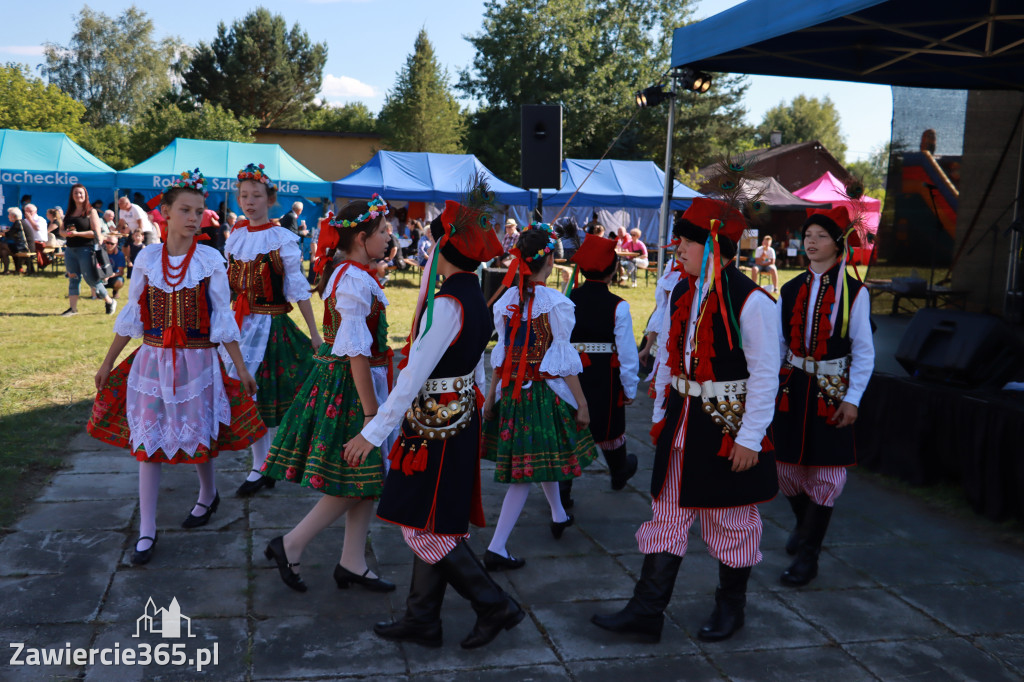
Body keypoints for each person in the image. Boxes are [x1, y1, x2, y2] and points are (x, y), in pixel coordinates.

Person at [592, 197, 781, 643]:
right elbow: (671, 360)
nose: (678, 246)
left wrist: (750, 439)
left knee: (732, 520)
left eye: (689, 240)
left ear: (715, 246)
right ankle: (646, 611)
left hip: (725, 427)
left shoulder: (753, 302)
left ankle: (731, 608)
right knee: (667, 513)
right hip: (682, 424)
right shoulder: (682, 290)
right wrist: (661, 412)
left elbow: (766, 375)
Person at [344, 192, 524, 651]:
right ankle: (422, 617)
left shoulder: (449, 303)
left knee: (422, 527)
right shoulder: (471, 295)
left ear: (443, 248)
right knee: (433, 522)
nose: (426, 246)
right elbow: (475, 364)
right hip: (449, 423)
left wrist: (372, 432)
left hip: (436, 430)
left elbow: (412, 376)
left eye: (432, 239)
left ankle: (493, 603)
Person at [87, 169, 265, 565]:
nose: (193, 217)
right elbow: (133, 314)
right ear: (164, 212)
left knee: (199, 433)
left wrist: (241, 367)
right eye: (185, 209)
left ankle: (207, 494)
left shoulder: (210, 260)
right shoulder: (148, 258)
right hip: (152, 361)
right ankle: (146, 530)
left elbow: (223, 318)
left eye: (199, 211)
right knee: (148, 444)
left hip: (198, 361)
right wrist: (107, 362)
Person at [260, 197, 397, 594]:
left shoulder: (350, 272)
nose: (389, 237)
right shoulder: (353, 279)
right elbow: (355, 350)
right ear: (361, 237)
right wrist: (372, 414)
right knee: (355, 475)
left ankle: (351, 562)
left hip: (350, 381)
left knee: (366, 479)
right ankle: (291, 543)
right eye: (384, 231)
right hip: (351, 388)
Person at [482, 223, 598, 569]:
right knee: (523, 474)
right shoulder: (556, 303)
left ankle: (559, 514)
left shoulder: (507, 301)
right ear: (548, 261)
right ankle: (497, 547)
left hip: (513, 395)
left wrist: (491, 397)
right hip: (540, 397)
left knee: (537, 458)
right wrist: (583, 402)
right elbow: (562, 363)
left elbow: (501, 357)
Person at [771, 206, 874, 587]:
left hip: (832, 391)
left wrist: (854, 398)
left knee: (827, 474)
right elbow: (778, 343)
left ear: (838, 244)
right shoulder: (790, 288)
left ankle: (809, 555)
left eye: (821, 237)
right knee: (785, 470)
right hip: (793, 388)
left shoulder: (855, 292)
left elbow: (864, 350)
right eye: (808, 235)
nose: (811, 243)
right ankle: (805, 523)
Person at [221, 163, 322, 497]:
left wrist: (315, 333)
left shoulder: (282, 238)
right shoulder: (234, 237)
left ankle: (274, 462)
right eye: (244, 196)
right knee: (250, 397)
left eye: (256, 196)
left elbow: (297, 288)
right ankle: (261, 465)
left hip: (272, 327)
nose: (249, 202)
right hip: (240, 326)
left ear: (270, 199)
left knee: (270, 396)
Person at [561, 233, 640, 508]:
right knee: (609, 425)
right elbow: (628, 355)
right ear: (614, 270)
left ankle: (563, 490)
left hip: (571, 374)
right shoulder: (618, 305)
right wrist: (629, 388)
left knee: (570, 425)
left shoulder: (566, 300)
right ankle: (619, 472)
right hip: (605, 375)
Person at [59, 184, 118, 316]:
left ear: (85, 195)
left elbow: (96, 233)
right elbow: (61, 231)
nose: (78, 195)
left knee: (91, 279)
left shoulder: (91, 212)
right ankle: (72, 309)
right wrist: (65, 234)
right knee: (73, 278)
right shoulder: (69, 212)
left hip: (86, 249)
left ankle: (109, 301)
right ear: (72, 196)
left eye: (81, 193)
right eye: (76, 193)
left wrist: (77, 234)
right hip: (70, 250)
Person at [22, 203, 51, 269]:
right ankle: (24, 267)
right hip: (29, 242)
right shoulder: (25, 221)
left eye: (30, 211)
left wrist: (30, 219)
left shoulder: (40, 219)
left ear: (35, 211)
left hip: (39, 242)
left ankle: (30, 268)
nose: (28, 213)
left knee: (25, 247)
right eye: (26, 211)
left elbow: (37, 228)